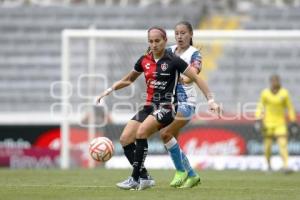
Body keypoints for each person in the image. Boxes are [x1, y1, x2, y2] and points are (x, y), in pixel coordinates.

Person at [96, 26, 220, 190]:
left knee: (142, 133)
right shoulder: (144, 60)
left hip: (168, 106)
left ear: (165, 41)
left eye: (157, 41)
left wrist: (211, 100)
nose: (154, 44)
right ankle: (145, 176)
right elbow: (128, 80)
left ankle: (134, 179)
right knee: (125, 139)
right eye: (151, 41)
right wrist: (109, 90)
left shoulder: (174, 60)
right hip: (149, 106)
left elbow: (196, 78)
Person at [159, 21, 202, 188]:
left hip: (186, 103)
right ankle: (192, 175)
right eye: (177, 33)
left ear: (190, 34)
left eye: (183, 33)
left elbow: (193, 75)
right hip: (169, 103)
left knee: (165, 133)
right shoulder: (168, 51)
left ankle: (181, 172)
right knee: (171, 141)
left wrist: (184, 77)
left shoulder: (195, 53)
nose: (179, 36)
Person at [255, 74, 297, 173]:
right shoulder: (265, 93)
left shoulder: (284, 93)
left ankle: (286, 166)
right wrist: (258, 118)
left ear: (279, 82)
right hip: (268, 124)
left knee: (283, 144)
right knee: (267, 147)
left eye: (277, 81)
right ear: (270, 82)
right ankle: (269, 165)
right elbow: (260, 106)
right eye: (273, 81)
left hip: (280, 123)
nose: (275, 83)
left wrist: (293, 120)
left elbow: (290, 107)